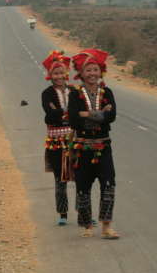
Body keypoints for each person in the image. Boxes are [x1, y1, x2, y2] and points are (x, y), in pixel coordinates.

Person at [68, 48, 120, 239]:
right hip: (82, 148)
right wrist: (100, 114)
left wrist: (86, 114)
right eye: (88, 70)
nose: (92, 73)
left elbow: (112, 116)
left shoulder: (107, 92)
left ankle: (106, 227)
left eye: (95, 69)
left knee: (109, 184)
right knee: (83, 186)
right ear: (81, 73)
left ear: (101, 71)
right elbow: (73, 119)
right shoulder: (74, 94)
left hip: (104, 146)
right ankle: (87, 225)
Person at [41, 51, 76, 225]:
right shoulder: (46, 93)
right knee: (60, 179)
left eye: (61, 73)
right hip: (56, 143)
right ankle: (62, 213)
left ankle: (84, 212)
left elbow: (76, 114)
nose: (59, 76)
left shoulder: (74, 91)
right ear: (50, 75)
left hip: (75, 141)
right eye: (55, 73)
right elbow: (50, 115)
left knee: (81, 178)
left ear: (66, 73)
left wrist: (60, 113)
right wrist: (66, 113)